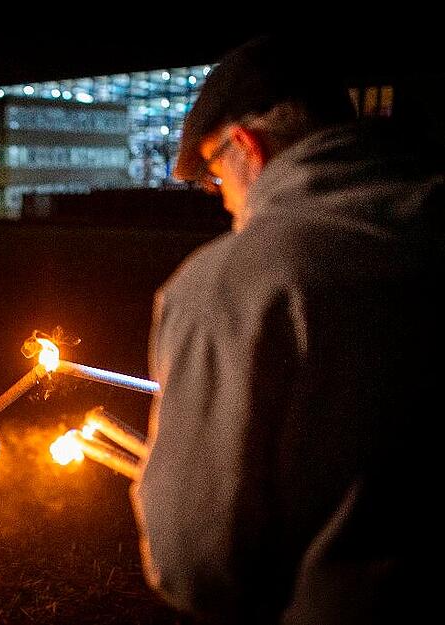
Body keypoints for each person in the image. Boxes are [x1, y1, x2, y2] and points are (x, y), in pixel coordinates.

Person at [131, 37, 444, 624]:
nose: (223, 201)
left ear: (247, 146)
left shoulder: (231, 285)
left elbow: (196, 560)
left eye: (214, 174)